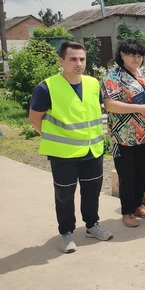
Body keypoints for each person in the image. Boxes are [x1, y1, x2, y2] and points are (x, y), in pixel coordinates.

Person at [29, 41, 113, 253]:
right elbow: (35, 118)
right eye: (73, 59)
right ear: (61, 61)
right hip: (63, 154)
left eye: (82, 59)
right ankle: (66, 233)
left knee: (92, 191)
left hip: (92, 149)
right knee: (64, 195)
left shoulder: (94, 84)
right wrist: (54, 138)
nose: (78, 63)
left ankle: (92, 225)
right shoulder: (46, 87)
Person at [102, 39, 145, 228]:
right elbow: (109, 104)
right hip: (123, 136)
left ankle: (138, 205)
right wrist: (138, 108)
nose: (136, 58)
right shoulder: (113, 75)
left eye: (140, 55)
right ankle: (127, 211)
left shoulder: (142, 75)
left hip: (144, 134)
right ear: (122, 54)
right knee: (127, 174)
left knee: (141, 171)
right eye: (132, 54)